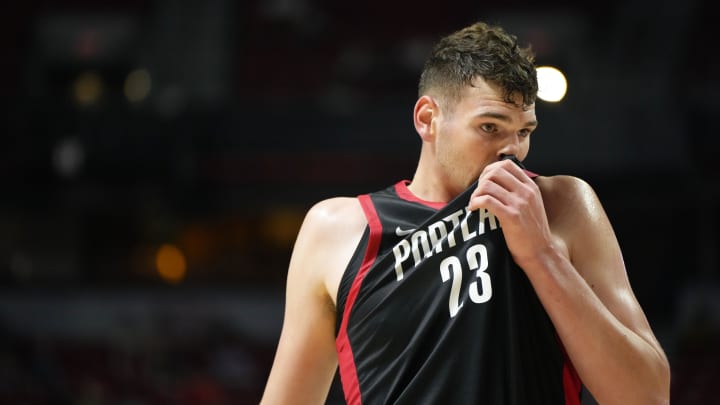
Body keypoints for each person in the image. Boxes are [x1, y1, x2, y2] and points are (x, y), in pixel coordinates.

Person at [260, 21, 670, 404]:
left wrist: (542, 255)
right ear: (427, 119)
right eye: (490, 127)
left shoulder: (561, 204)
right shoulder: (339, 228)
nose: (513, 150)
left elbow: (648, 396)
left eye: (523, 131)